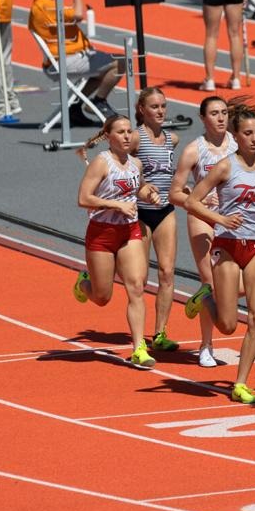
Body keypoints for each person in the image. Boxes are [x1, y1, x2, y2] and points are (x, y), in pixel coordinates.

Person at [184, 106, 255, 403]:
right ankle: (206, 298)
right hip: (228, 244)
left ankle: (241, 383)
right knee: (228, 324)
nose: (254, 138)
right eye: (248, 133)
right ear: (236, 136)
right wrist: (220, 219)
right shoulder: (223, 167)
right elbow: (192, 202)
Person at [72, 115, 160, 370]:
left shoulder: (136, 163)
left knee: (136, 286)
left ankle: (139, 348)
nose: (125, 136)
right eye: (120, 131)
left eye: (129, 131)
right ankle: (84, 283)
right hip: (101, 233)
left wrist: (149, 194)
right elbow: (83, 198)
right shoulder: (101, 163)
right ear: (108, 136)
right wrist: (114, 204)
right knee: (102, 297)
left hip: (129, 231)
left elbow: (138, 188)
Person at [169, 96, 236, 366]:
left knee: (237, 285)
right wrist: (195, 200)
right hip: (203, 218)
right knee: (211, 281)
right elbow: (174, 192)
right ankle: (206, 345)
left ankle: (203, 299)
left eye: (224, 113)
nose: (221, 118)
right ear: (203, 118)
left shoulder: (237, 145)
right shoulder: (193, 150)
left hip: (233, 220)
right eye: (215, 113)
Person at [27, 0, 122, 126]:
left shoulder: (44, 4)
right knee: (120, 62)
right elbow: (78, 15)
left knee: (101, 69)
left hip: (65, 58)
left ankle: (75, 107)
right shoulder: (45, 6)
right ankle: (99, 102)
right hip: (65, 60)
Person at [131, 87, 180, 352]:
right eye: (154, 107)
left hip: (165, 211)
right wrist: (142, 188)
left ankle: (159, 334)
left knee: (167, 272)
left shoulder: (172, 139)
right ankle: (94, 274)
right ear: (142, 109)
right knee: (138, 278)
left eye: (163, 106)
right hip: (139, 212)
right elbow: (122, 169)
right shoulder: (135, 140)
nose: (160, 111)